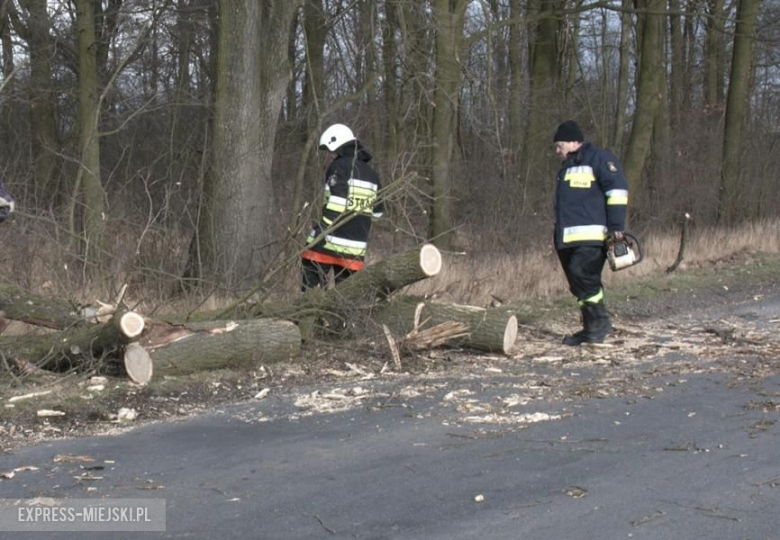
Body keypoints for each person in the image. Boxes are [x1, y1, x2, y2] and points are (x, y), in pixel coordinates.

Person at [552, 120, 628, 345]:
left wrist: (616, 228)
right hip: (567, 239)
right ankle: (591, 327)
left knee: (582, 275)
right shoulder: (567, 167)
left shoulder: (601, 160)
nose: (557, 151)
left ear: (574, 142)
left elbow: (617, 192)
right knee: (578, 282)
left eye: (560, 145)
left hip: (594, 237)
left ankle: (599, 324)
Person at [301, 123, 383, 290]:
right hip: (356, 248)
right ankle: (338, 315)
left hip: (332, 239)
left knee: (310, 264)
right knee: (345, 294)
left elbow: (338, 203)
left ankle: (310, 310)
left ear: (338, 145)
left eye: (332, 151)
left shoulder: (339, 167)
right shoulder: (372, 175)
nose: (331, 155)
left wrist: (320, 230)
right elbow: (377, 213)